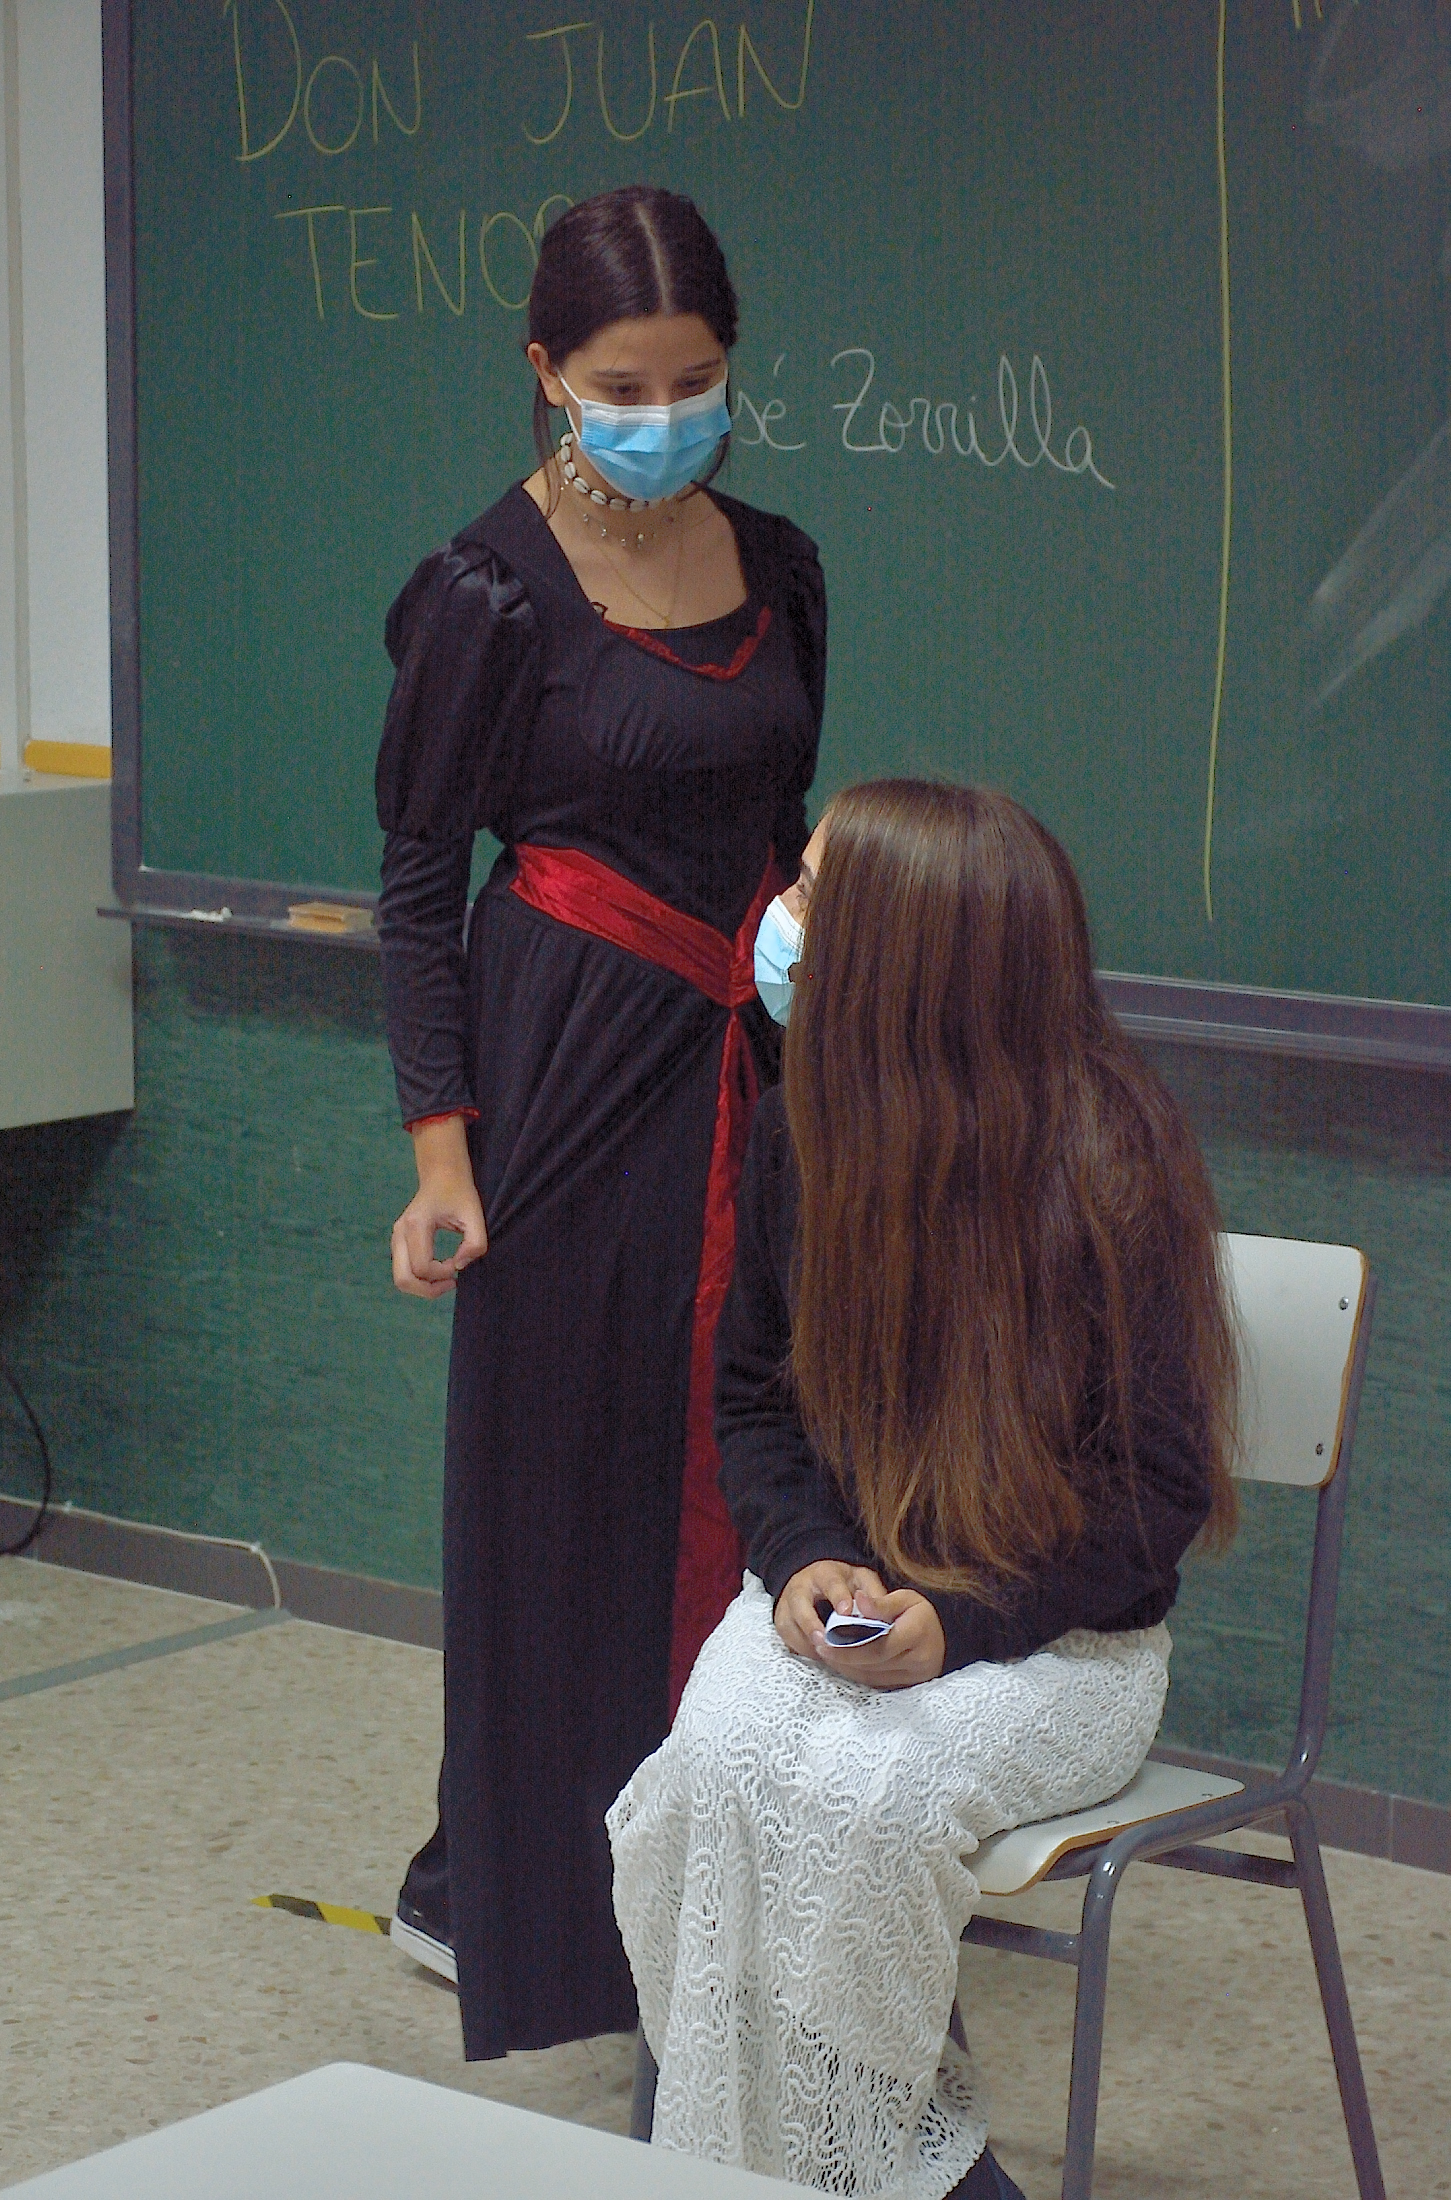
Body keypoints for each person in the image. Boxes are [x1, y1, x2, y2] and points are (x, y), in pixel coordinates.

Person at [608, 781, 1238, 2199]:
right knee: (716, 1770)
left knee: (867, 1803)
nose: (780, 918)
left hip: (1058, 1646)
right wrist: (804, 1558)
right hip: (847, 1594)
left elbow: (1153, 1498)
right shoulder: (801, 1134)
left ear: (904, 956)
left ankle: (878, 2176)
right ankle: (802, 2172)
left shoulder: (1112, 1167)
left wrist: (957, 1622)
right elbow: (757, 1402)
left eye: (812, 893)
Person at [374, 185, 825, 2060]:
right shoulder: (488, 591)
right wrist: (443, 1158)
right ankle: (536, 1907)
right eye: (622, 387)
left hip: (743, 1072)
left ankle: (730, 1876)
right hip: (558, 1081)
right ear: (547, 372)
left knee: (738, 1456)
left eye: (694, 380)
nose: (661, 414)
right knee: (564, 1497)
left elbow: (781, 817)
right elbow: (419, 879)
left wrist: (803, 932)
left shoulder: (781, 564)